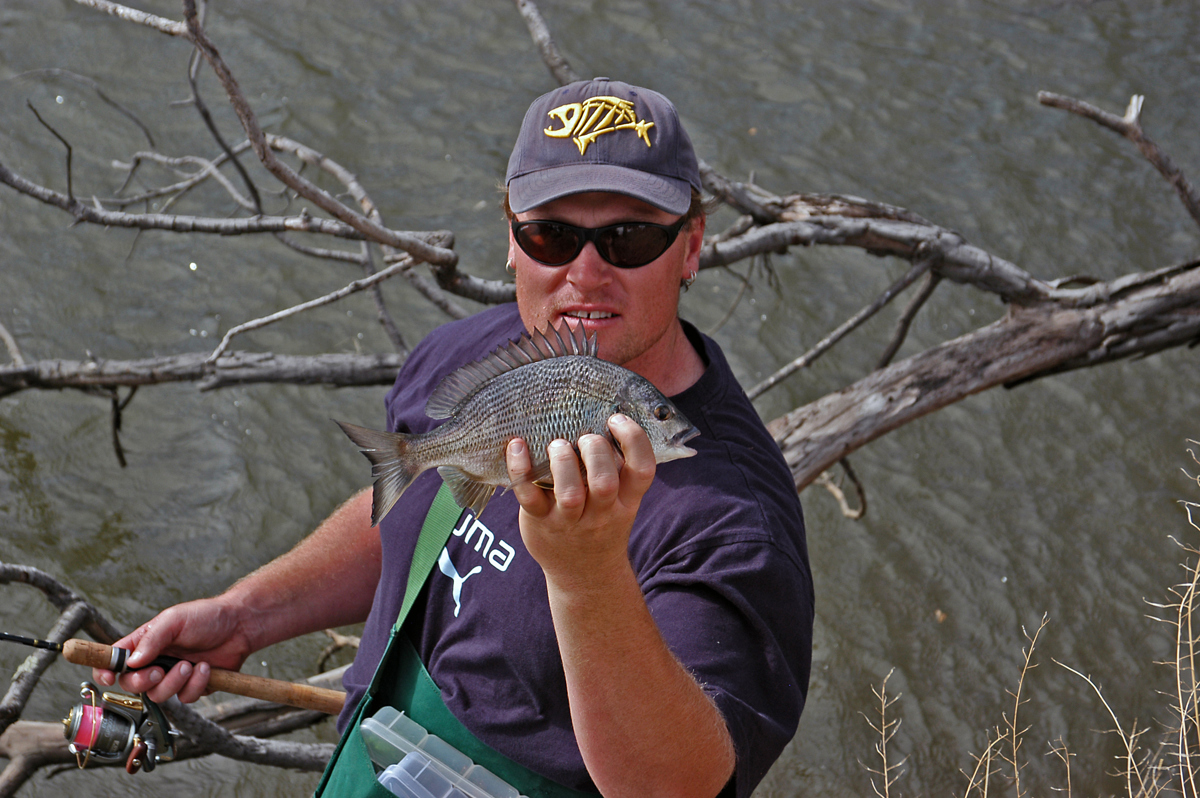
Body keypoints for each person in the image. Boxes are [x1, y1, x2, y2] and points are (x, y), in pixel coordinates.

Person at [96, 78, 813, 798]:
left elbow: (683, 786)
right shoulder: (472, 354)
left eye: (629, 238)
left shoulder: (735, 522)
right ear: (510, 237)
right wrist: (246, 615)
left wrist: (587, 574)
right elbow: (415, 515)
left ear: (691, 246)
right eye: (552, 235)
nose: (586, 273)